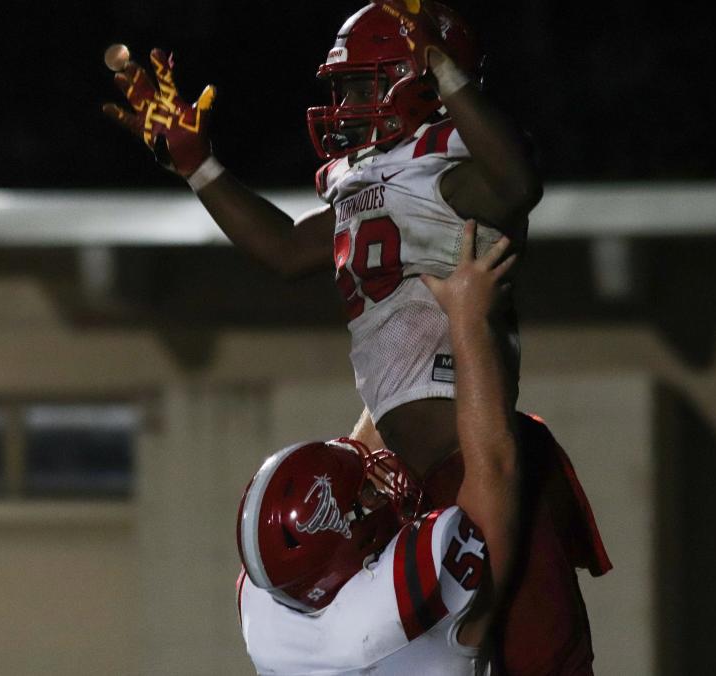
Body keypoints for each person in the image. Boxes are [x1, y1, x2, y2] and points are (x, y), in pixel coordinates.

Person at [103, 0, 542, 477]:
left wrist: (448, 76)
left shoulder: (456, 167)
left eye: (359, 86)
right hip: (416, 471)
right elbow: (285, 249)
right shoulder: (376, 179)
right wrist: (199, 167)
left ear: (422, 77)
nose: (343, 107)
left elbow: (516, 186)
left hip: (475, 462)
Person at [237, 222, 523, 674]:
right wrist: (468, 318)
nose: (377, 480)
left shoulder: (274, 604)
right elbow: (497, 471)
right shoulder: (390, 617)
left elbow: (358, 454)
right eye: (366, 492)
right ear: (349, 545)